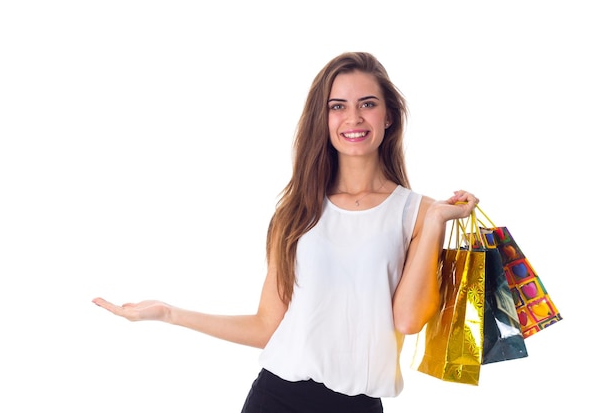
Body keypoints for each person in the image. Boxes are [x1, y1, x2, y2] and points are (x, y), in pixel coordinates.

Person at [92, 51, 478, 412]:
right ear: (322, 118)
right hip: (276, 398)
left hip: (359, 404)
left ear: (388, 116)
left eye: (368, 104)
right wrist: (169, 314)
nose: (354, 118)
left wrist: (432, 227)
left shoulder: (420, 213)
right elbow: (267, 327)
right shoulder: (297, 212)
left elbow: (408, 321)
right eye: (337, 106)